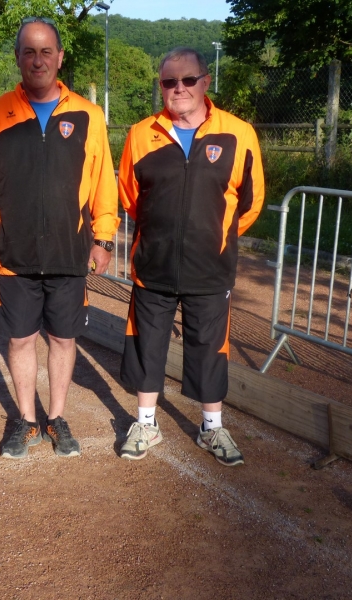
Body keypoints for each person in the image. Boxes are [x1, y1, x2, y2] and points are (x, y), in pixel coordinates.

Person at [0, 17, 120, 459]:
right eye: (29, 52)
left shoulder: (89, 115)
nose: (38, 60)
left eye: (46, 52)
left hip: (68, 251)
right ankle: (26, 421)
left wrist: (104, 238)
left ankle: (56, 418)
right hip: (14, 255)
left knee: (62, 338)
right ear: (18, 57)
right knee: (19, 340)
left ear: (60, 57)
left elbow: (103, 182)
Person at [117, 47, 265, 464]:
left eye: (187, 80)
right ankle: (146, 423)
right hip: (154, 265)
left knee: (209, 348)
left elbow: (251, 201)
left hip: (210, 267)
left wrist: (215, 237)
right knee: (147, 346)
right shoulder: (140, 134)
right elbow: (130, 196)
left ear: (205, 81)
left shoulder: (239, 133)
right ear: (161, 86)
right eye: (169, 82)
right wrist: (160, 234)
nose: (178, 88)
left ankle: (212, 428)